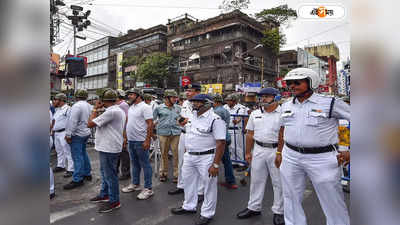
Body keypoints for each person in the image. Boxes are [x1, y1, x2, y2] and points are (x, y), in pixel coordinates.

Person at [276, 68, 350, 225]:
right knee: (290, 197)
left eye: (297, 82)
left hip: (322, 158)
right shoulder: (286, 105)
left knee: (332, 200)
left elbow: (351, 121)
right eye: (289, 83)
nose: (292, 86)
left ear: (311, 82)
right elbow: (283, 129)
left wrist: (347, 149)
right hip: (291, 156)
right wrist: (280, 152)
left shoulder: (330, 103)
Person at [171, 94, 226, 225]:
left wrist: (216, 165)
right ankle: (189, 206)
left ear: (207, 104)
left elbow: (221, 143)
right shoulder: (192, 117)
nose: (193, 104)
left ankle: (207, 213)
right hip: (190, 156)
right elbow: (190, 134)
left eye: (197, 102)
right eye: (193, 102)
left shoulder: (215, 119)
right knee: (188, 182)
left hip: (206, 157)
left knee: (209, 186)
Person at [236, 87, 284, 225]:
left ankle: (279, 211)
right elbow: (250, 134)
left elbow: (283, 135)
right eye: (262, 97)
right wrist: (247, 152)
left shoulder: (283, 113)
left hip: (276, 150)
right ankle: (254, 207)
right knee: (257, 180)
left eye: (267, 96)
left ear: (275, 97)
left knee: (278, 182)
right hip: (258, 149)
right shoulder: (255, 113)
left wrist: (280, 153)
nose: (263, 99)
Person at [87, 89, 126, 213]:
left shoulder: (112, 112)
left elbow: (90, 124)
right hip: (107, 146)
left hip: (109, 147)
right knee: (105, 173)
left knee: (110, 175)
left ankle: (114, 201)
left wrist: (94, 109)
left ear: (104, 100)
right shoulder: (115, 110)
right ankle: (105, 194)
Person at [168, 83, 201, 196]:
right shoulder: (185, 103)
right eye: (186, 91)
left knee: (197, 163)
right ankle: (181, 185)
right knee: (182, 161)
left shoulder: (203, 103)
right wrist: (181, 121)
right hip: (184, 134)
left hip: (196, 136)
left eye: (190, 91)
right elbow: (181, 118)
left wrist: (188, 120)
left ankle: (199, 191)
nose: (187, 93)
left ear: (197, 92)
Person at [122, 88, 155, 200]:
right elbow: (128, 122)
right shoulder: (131, 107)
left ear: (138, 96)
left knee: (145, 164)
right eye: (129, 94)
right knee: (135, 163)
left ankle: (148, 188)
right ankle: (135, 184)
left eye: (131, 94)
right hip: (131, 140)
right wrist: (125, 137)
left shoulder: (145, 107)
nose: (129, 96)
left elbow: (150, 124)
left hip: (141, 140)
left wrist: (147, 140)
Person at [64, 89, 93, 190]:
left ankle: (78, 179)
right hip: (86, 133)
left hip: (77, 134)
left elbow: (73, 121)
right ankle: (87, 173)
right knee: (83, 153)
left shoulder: (76, 106)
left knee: (77, 156)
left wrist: (68, 135)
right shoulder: (89, 105)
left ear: (76, 96)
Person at [153, 89, 181, 182]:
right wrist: (152, 132)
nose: (175, 99)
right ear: (167, 98)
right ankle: (163, 173)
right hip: (163, 133)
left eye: (175, 97)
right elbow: (153, 120)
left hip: (176, 133)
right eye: (173, 97)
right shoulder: (159, 108)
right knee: (164, 154)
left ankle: (176, 174)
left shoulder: (178, 108)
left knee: (176, 154)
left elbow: (181, 119)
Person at [212, 94, 237, 189]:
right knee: (227, 161)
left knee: (214, 161)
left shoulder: (216, 112)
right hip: (226, 137)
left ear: (215, 102)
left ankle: (228, 181)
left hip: (220, 139)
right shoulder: (225, 110)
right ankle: (230, 181)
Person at [51, 93, 74, 177]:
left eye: (55, 99)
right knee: (59, 150)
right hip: (57, 133)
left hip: (64, 132)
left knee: (68, 151)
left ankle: (71, 169)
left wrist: (68, 134)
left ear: (61, 100)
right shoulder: (58, 109)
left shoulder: (68, 109)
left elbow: (70, 122)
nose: (54, 101)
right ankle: (61, 165)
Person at [224, 94, 248, 167]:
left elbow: (242, 118)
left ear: (234, 101)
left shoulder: (241, 108)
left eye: (229, 101)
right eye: (227, 100)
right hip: (228, 129)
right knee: (231, 147)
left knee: (238, 147)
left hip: (237, 130)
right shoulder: (225, 107)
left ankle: (241, 163)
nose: (228, 102)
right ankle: (234, 162)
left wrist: (238, 121)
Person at [116, 89, 131, 181]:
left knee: (123, 152)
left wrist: (124, 134)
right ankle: (116, 170)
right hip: (117, 131)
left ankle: (126, 172)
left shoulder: (123, 105)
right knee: (117, 152)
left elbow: (126, 119)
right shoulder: (118, 105)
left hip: (122, 131)